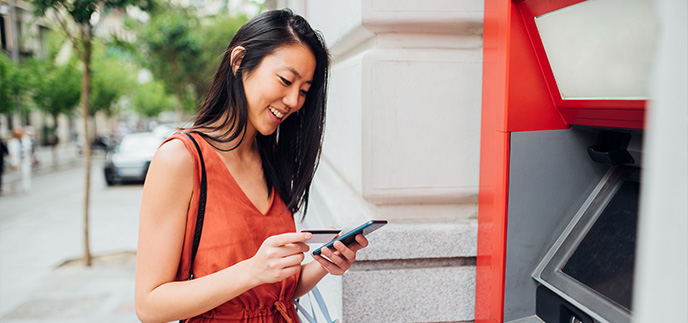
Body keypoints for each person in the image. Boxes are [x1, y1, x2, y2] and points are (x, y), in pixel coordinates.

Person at [135, 9, 369, 323]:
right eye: (286, 80)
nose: (294, 101)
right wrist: (252, 270)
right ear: (239, 61)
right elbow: (150, 306)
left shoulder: (270, 156)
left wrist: (323, 263)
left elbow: (274, 292)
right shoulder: (180, 159)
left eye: (303, 91)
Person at [7, 127, 33, 194]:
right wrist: (14, 163)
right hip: (17, 161)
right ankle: (13, 183)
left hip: (25, 160)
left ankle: (27, 187)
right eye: (17, 132)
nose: (19, 133)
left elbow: (29, 149)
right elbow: (11, 153)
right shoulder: (12, 141)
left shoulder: (26, 139)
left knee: (26, 174)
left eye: (20, 132)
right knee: (16, 175)